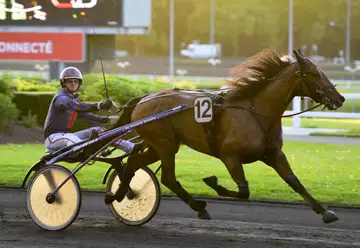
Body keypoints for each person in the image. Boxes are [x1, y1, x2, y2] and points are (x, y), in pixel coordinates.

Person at [43, 66, 142, 154]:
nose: (73, 83)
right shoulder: (61, 98)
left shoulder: (73, 99)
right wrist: (98, 105)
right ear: (63, 83)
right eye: (70, 81)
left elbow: (85, 115)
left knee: (101, 131)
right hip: (53, 138)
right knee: (70, 138)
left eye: (75, 81)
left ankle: (130, 147)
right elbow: (76, 106)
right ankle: (89, 150)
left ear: (79, 83)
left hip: (66, 136)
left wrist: (105, 120)